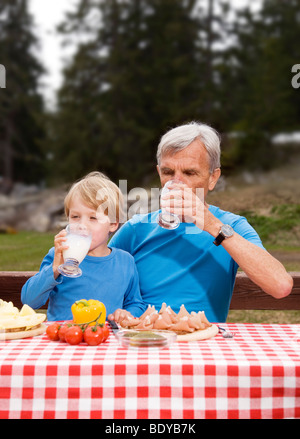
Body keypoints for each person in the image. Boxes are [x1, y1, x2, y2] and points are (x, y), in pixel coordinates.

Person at [109, 122, 293, 322]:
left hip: (203, 343)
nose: (176, 182)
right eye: (168, 172)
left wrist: (211, 225)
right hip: (146, 339)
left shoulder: (232, 226)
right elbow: (97, 272)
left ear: (213, 178)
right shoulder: (137, 228)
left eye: (189, 173)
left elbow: (280, 286)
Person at [21, 172, 146, 321]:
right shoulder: (59, 256)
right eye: (75, 217)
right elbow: (29, 301)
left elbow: (136, 303)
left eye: (93, 218)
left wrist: (128, 313)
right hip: (65, 338)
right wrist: (54, 269)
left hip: (103, 339)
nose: (82, 225)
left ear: (113, 224)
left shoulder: (125, 262)